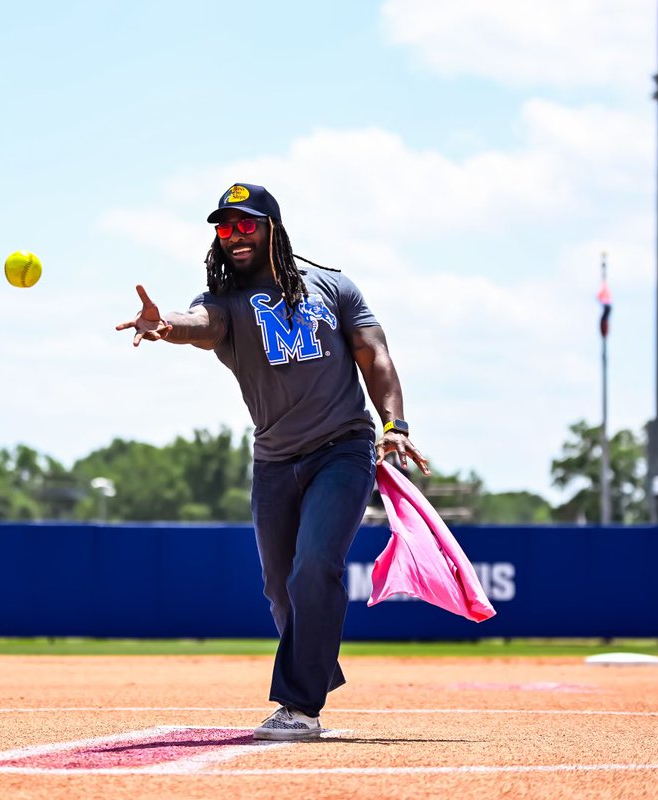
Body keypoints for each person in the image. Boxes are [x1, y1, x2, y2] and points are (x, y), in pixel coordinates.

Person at [116, 182, 430, 740]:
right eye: (223, 227)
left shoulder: (333, 287)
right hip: (275, 459)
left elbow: (374, 354)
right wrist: (164, 326)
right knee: (279, 585)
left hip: (343, 447)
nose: (233, 235)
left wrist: (394, 424)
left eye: (245, 224)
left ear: (271, 228)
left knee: (316, 564)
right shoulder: (225, 300)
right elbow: (199, 324)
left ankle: (299, 706)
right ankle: (315, 669)